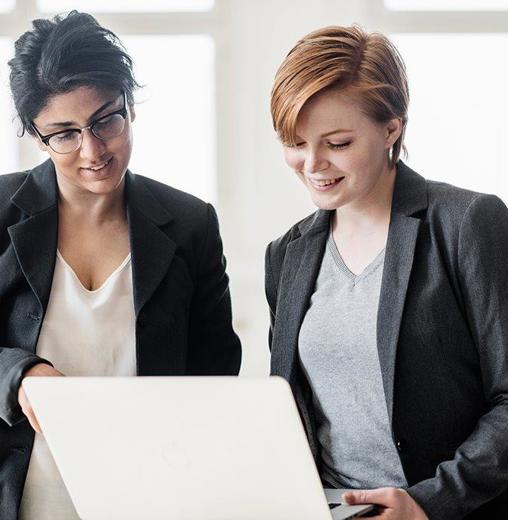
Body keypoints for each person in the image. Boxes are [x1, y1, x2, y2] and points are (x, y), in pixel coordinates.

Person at [0, 11, 241, 520]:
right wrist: (19, 374)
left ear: (129, 103)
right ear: (36, 135)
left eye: (106, 118)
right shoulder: (0, 212)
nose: (93, 150)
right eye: (63, 134)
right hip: (21, 497)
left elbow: (215, 373)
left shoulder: (191, 223)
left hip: (150, 498)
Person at [266, 25, 508, 520]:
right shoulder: (286, 254)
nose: (312, 164)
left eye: (337, 143)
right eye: (295, 142)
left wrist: (427, 502)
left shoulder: (467, 224)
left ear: (391, 129)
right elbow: (289, 412)